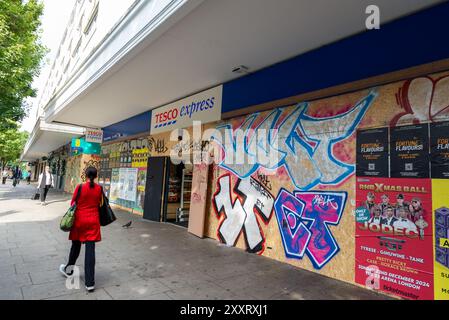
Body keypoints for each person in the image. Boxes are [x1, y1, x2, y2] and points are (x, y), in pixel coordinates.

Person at [59, 167, 103, 292]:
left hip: (79, 221)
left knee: (75, 246)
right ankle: (90, 283)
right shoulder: (99, 188)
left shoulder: (80, 187)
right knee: (90, 251)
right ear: (96, 175)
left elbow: (73, 203)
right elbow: (100, 204)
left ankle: (69, 269)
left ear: (85, 175)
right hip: (93, 221)